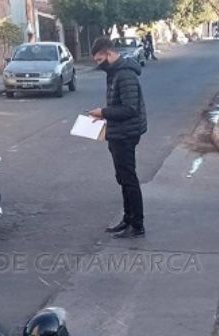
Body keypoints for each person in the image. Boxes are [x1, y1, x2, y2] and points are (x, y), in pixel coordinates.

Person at [87, 37, 147, 239]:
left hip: (126, 134)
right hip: (118, 132)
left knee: (128, 178)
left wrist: (103, 112)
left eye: (99, 59)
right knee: (122, 177)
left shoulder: (125, 75)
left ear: (109, 54)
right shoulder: (114, 72)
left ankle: (137, 224)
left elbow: (129, 108)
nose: (98, 64)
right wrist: (103, 116)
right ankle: (127, 218)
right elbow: (119, 105)